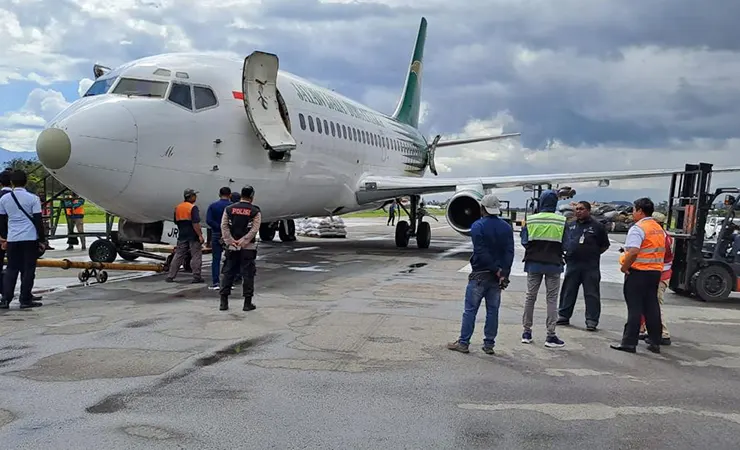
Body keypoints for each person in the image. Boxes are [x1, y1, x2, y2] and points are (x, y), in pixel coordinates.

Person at [447, 194, 514, 354]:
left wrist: (495, 270)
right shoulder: (506, 227)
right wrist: (504, 273)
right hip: (497, 277)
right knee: (493, 311)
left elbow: (481, 252)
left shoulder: (477, 226)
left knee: (470, 310)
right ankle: (489, 344)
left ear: (482, 208)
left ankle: (463, 343)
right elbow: (509, 253)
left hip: (480, 274)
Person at [611, 197, 664, 354]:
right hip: (655, 272)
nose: (633, 213)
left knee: (635, 308)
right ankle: (655, 341)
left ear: (640, 211)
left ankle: (629, 342)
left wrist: (624, 267)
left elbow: (633, 251)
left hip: (638, 272)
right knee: (652, 306)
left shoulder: (638, 228)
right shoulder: (657, 228)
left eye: (634, 210)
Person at [520, 189, 567, 348]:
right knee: (552, 299)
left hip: (533, 263)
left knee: (530, 297)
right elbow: (567, 244)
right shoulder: (561, 221)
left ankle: (527, 332)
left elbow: (524, 241)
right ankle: (550, 335)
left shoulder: (531, 220)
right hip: (554, 264)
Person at [557, 201, 610, 331]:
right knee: (568, 291)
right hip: (573, 264)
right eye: (576, 209)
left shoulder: (597, 226)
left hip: (590, 266)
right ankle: (564, 315)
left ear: (588, 210)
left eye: (581, 209)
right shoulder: (570, 225)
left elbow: (604, 245)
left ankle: (591, 320)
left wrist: (593, 253)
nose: (578, 211)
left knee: (591, 293)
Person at [0, 170, 45, 309]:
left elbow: (2, 220)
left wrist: (4, 238)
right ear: (26, 182)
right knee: (28, 270)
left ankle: (5, 299)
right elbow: (38, 220)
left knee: (11, 269)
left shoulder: (4, 199)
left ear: (12, 183)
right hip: (30, 238)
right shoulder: (33, 198)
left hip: (13, 238)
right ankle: (25, 299)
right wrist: (42, 239)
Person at [219, 185, 261, 311]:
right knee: (248, 275)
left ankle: (223, 302)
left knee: (228, 273)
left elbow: (224, 226)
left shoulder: (229, 209)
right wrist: (244, 241)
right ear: (252, 197)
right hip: (248, 248)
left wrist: (231, 241)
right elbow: (254, 229)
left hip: (232, 247)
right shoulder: (255, 211)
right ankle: (247, 303)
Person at [638, 212, 672, 345]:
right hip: (658, 273)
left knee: (656, 304)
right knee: (649, 303)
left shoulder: (660, 237)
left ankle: (663, 333)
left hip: (659, 274)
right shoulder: (663, 236)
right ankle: (648, 329)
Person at [165, 188, 204, 283]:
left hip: (182, 234)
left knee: (178, 255)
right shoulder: (193, 208)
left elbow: (176, 221)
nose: (196, 197)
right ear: (191, 197)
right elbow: (195, 223)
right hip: (193, 235)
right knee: (196, 255)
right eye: (194, 195)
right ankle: (196, 276)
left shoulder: (178, 207)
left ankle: (171, 276)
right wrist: (200, 235)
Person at [206, 187, 232, 290]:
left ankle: (216, 282)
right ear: (229, 195)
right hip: (229, 235)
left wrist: (218, 227)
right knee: (230, 259)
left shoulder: (213, 206)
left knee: (216, 259)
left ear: (219, 194)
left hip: (216, 234)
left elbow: (209, 220)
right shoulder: (232, 206)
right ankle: (229, 281)